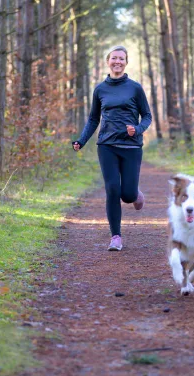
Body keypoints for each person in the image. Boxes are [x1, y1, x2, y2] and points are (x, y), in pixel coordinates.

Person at [72, 45, 152, 251]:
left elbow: (147, 116)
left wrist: (138, 129)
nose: (117, 61)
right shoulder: (100, 89)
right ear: (108, 61)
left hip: (132, 146)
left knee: (127, 194)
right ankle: (115, 236)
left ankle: (135, 194)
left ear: (126, 62)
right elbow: (93, 119)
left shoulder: (135, 88)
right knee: (112, 189)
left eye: (121, 58)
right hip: (107, 145)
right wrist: (81, 140)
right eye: (114, 58)